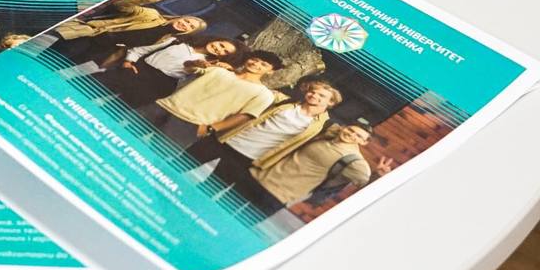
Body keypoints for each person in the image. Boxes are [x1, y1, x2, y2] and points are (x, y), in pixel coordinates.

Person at [185, 78, 342, 213]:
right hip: (225, 140)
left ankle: (188, 212)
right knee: (181, 164)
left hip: (248, 157)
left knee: (210, 187)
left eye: (321, 96)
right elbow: (257, 91)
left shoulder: (325, 125)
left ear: (331, 102)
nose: (314, 95)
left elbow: (347, 138)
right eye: (312, 91)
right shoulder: (285, 101)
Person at [140, 51, 284, 148]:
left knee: (156, 156)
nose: (256, 64)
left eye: (263, 64)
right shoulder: (219, 70)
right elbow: (189, 68)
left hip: (191, 124)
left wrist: (211, 128)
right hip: (161, 107)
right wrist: (196, 62)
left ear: (271, 71)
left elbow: (246, 116)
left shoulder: (263, 94)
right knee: (127, 130)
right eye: (254, 60)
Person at [251, 119, 394, 208]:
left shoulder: (356, 161)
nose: (351, 135)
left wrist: (378, 176)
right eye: (350, 130)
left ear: (363, 142)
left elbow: (365, 186)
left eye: (358, 136)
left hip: (278, 195)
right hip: (256, 176)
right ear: (343, 127)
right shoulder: (327, 135)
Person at [42, 0, 206, 65]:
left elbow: (135, 48)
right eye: (187, 20)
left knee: (60, 66)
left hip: (101, 51)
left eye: (190, 26)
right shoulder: (152, 15)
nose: (185, 24)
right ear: (181, 17)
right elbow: (120, 6)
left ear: (189, 31)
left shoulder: (166, 39)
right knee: (49, 59)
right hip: (91, 36)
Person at [100, 34, 243, 109]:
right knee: (95, 86)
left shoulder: (209, 65)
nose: (219, 49)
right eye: (221, 45)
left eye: (224, 51)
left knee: (115, 109)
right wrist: (128, 62)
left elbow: (190, 70)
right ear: (216, 39)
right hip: (137, 70)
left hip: (159, 86)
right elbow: (141, 50)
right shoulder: (177, 41)